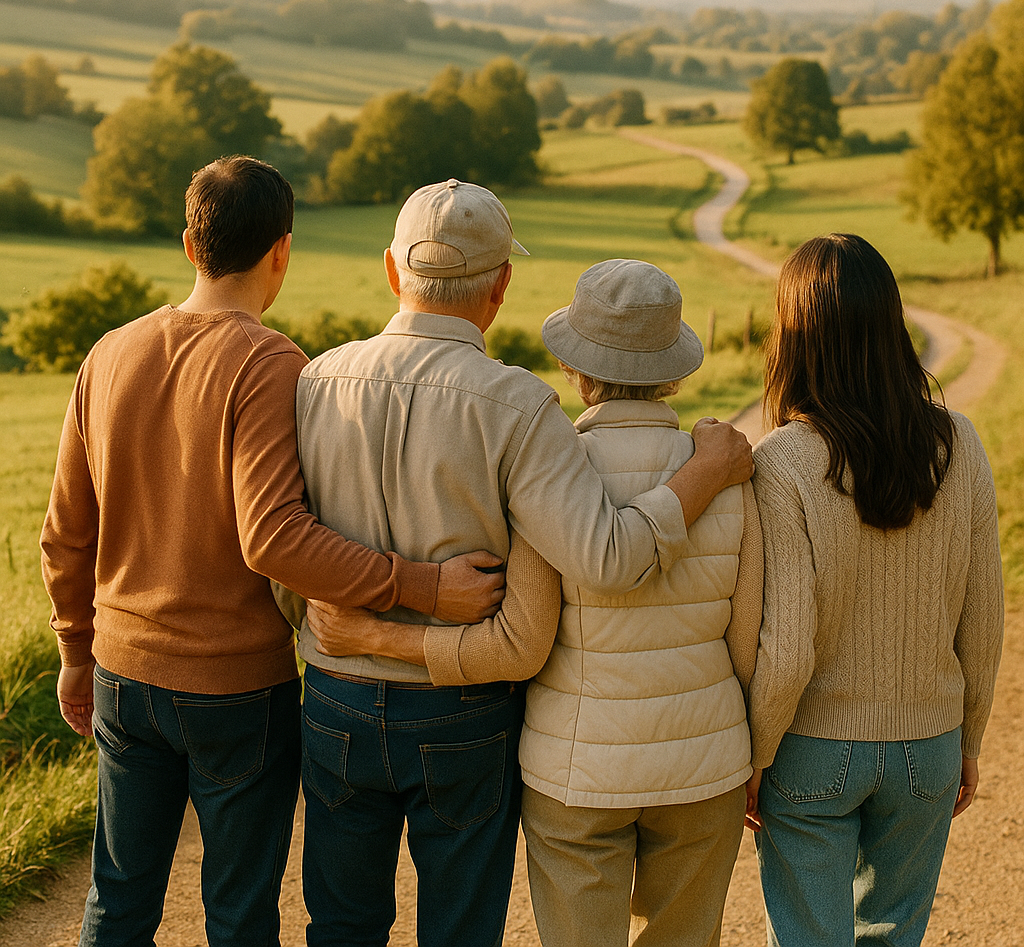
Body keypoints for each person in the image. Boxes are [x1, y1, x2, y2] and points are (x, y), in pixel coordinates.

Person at [39, 156, 502, 947]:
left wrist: (74, 652)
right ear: (282, 251)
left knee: (117, 899)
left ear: (191, 243)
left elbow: (65, 529)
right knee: (238, 911)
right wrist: (422, 584)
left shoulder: (108, 352)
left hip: (121, 673)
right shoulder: (268, 362)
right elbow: (275, 538)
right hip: (233, 693)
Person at [285, 179, 754, 947]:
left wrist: (341, 627)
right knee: (461, 929)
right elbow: (606, 556)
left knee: (340, 922)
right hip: (460, 711)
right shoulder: (519, 406)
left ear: (391, 270)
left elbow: (283, 542)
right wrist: (702, 472)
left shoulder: (313, 379)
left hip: (334, 691)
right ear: (501, 285)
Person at [744, 233, 1004, 947]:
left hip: (811, 751)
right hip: (930, 743)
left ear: (794, 337)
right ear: (893, 326)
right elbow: (984, 620)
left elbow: (788, 644)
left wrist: (757, 755)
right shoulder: (960, 442)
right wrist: (969, 739)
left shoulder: (783, 460)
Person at [513, 259, 763, 947]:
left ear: (576, 371)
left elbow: (530, 629)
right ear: (675, 373)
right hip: (704, 762)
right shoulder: (732, 469)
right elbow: (747, 635)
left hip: (576, 768)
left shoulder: (548, 470)